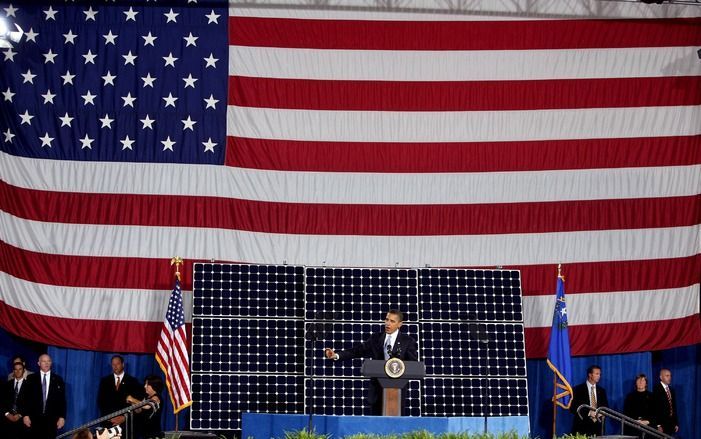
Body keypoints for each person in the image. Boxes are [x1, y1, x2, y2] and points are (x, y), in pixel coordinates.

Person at [324, 309, 418, 415]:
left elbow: (413, 365)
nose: (387, 323)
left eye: (392, 321)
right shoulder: (376, 338)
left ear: (400, 324)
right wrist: (337, 355)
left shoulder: (408, 341)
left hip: (397, 391)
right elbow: (357, 351)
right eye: (386, 320)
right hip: (376, 390)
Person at [18, 353, 66, 439]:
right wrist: (25, 415)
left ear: (51, 363)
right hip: (33, 420)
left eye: (49, 361)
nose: (47, 363)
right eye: (44, 361)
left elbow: (62, 401)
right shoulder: (30, 378)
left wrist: (62, 417)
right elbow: (24, 398)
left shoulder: (58, 380)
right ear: (39, 363)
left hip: (51, 420)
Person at [97, 355, 142, 436]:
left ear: (123, 364)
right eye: (113, 364)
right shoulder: (105, 381)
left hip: (126, 425)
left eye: (117, 364)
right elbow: (101, 402)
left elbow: (137, 405)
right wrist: (110, 418)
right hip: (108, 423)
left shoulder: (133, 381)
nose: (115, 366)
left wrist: (124, 417)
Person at [569, 365, 608, 437]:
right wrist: (589, 413)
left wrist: (602, 413)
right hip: (582, 426)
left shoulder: (602, 391)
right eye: (597, 374)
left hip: (598, 428)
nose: (599, 376)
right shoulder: (578, 389)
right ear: (590, 375)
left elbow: (606, 408)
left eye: (600, 374)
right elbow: (572, 408)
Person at [126, 375, 163, 439]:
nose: (145, 386)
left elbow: (147, 406)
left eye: (147, 384)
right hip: (144, 433)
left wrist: (132, 399)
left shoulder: (157, 397)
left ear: (154, 386)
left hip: (153, 434)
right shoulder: (146, 398)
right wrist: (132, 403)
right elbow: (139, 410)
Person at [2, 361, 28, 439]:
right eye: (15, 369)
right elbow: (2, 401)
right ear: (13, 371)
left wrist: (20, 414)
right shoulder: (6, 384)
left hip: (22, 421)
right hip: (7, 420)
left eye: (20, 369)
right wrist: (7, 414)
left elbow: (30, 403)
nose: (18, 371)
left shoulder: (29, 385)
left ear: (23, 371)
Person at [623, 373, 654, 437]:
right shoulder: (630, 397)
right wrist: (634, 421)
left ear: (646, 383)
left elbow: (655, 413)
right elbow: (626, 413)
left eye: (643, 380)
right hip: (633, 427)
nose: (640, 382)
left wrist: (647, 421)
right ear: (636, 383)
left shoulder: (652, 396)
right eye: (638, 380)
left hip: (648, 428)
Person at [652, 368, 678, 435]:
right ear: (661, 377)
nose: (669, 378)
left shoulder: (671, 390)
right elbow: (654, 408)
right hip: (661, 425)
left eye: (670, 376)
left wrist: (676, 423)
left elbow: (673, 407)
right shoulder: (656, 389)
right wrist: (658, 425)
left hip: (671, 424)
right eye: (667, 376)